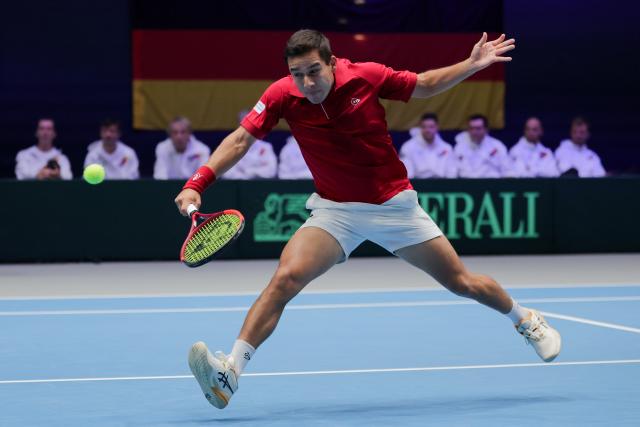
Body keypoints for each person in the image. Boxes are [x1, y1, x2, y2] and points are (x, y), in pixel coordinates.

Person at [174, 29, 560, 409]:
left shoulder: (367, 75)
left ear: (332, 62)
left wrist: (471, 65)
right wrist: (198, 182)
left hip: (394, 205)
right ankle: (229, 375)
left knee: (462, 282)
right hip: (336, 211)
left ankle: (524, 318)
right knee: (285, 279)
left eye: (313, 71)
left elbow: (423, 85)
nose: (306, 82)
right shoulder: (281, 95)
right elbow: (241, 140)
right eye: (297, 74)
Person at [222, 111, 278, 179]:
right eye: (244, 124)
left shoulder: (266, 147)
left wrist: (251, 172)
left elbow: (272, 170)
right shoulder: (230, 147)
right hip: (238, 186)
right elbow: (226, 172)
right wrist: (244, 177)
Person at [399, 113, 457, 178]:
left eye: (431, 127)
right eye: (424, 127)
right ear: (420, 128)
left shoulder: (447, 148)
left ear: (437, 127)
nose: (427, 130)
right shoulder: (408, 148)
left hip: (443, 186)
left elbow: (452, 174)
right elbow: (407, 176)